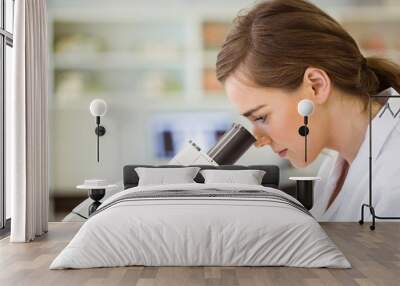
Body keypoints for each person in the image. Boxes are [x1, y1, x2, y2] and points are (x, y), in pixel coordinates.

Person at [216, 0, 400, 221]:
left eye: (262, 117)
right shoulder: (337, 162)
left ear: (316, 85)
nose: (258, 139)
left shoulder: (393, 176)